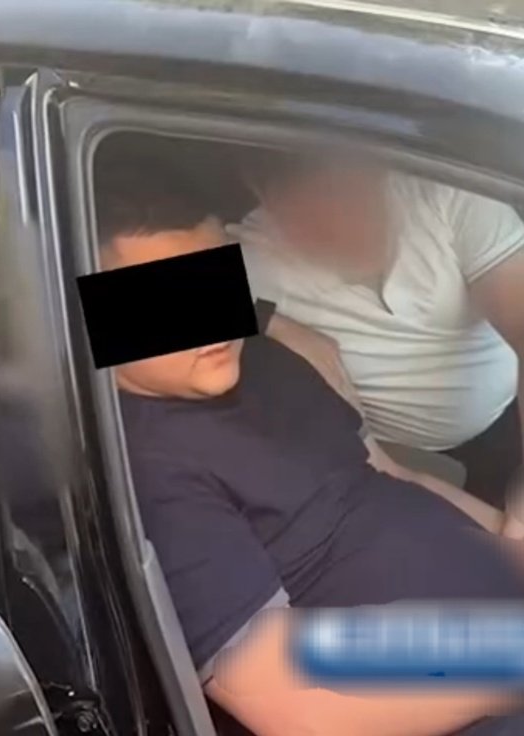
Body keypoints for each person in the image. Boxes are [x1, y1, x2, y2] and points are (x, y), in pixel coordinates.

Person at [94, 156, 524, 736]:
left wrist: (510, 542)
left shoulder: (271, 362)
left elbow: (391, 476)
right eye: (162, 299)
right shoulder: (142, 468)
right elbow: (294, 702)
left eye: (214, 279)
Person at [229, 151, 524, 525]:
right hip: (398, 459)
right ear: (268, 200)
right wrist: (271, 321)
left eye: (354, 194)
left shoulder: (450, 194)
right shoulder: (253, 259)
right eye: (316, 210)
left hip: (512, 414)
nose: (349, 225)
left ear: (381, 170)